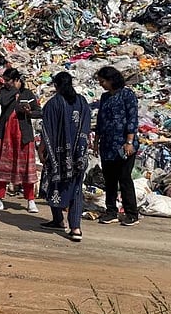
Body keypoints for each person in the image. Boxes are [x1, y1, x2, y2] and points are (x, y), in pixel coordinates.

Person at [39, 72, 91, 242]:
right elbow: (86, 127)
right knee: (76, 188)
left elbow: (47, 130)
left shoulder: (53, 103)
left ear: (56, 85)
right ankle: (75, 228)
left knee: (55, 183)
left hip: (58, 157)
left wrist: (42, 149)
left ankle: (59, 220)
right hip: (79, 155)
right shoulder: (82, 102)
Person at [0, 68, 42, 213]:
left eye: (8, 80)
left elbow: (38, 112)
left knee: (26, 169)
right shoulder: (5, 92)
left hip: (23, 136)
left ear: (17, 80)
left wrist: (29, 111)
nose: (5, 83)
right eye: (4, 80)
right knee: (2, 167)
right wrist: (15, 91)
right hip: (5, 135)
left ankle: (30, 200)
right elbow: (3, 102)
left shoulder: (28, 94)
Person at [93, 66, 140, 226]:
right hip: (107, 144)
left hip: (123, 144)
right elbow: (100, 120)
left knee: (124, 178)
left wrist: (129, 142)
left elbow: (132, 119)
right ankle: (111, 211)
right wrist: (96, 141)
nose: (101, 84)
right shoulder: (105, 97)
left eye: (103, 81)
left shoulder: (127, 95)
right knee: (110, 179)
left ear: (112, 80)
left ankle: (131, 213)